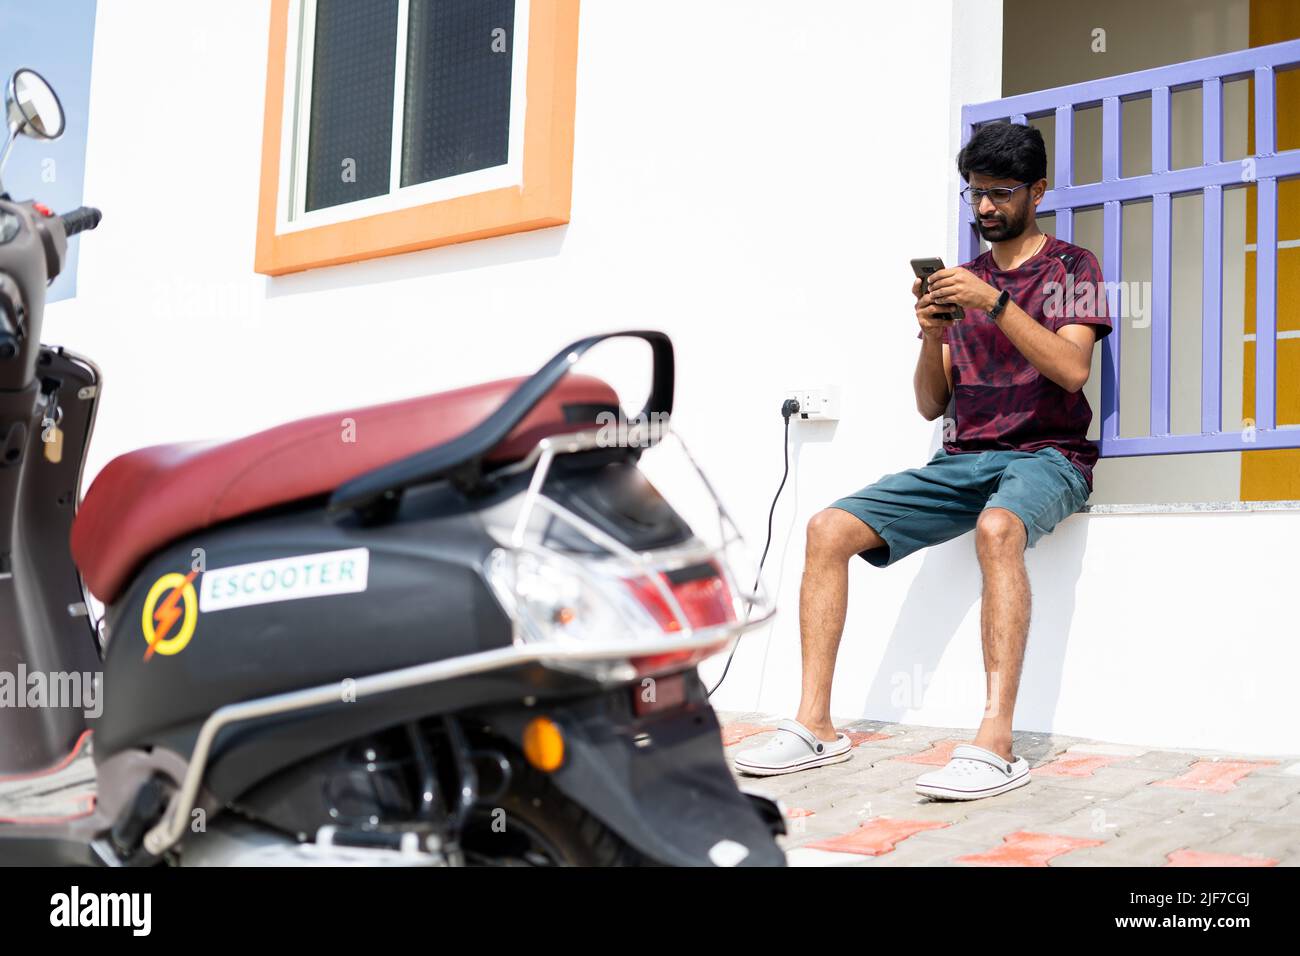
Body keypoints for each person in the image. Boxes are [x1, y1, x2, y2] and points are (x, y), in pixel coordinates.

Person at [734, 122, 1113, 800]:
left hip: (1048, 454)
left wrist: (992, 303)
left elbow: (1072, 369)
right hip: (961, 459)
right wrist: (931, 335)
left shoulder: (1072, 268)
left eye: (1001, 193)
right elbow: (928, 402)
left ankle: (995, 741)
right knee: (826, 529)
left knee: (999, 530)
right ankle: (815, 725)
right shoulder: (957, 284)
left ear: (1038, 190)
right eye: (976, 193)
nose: (986, 208)